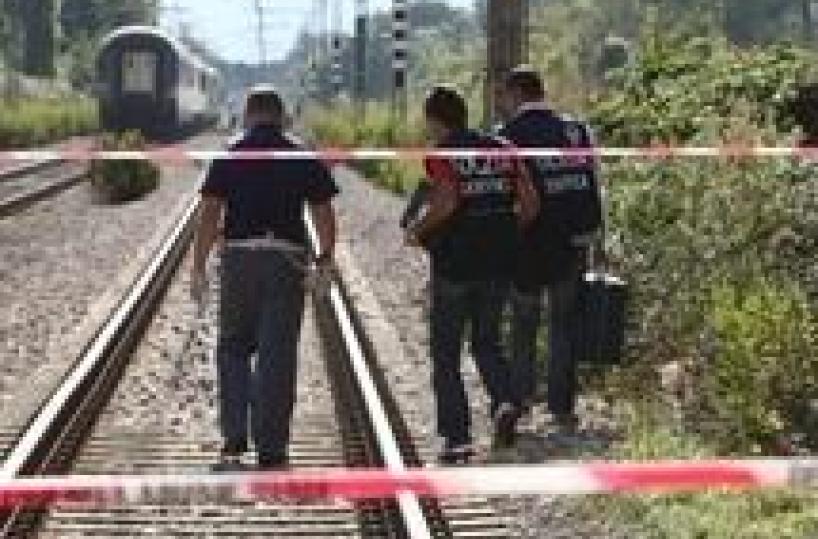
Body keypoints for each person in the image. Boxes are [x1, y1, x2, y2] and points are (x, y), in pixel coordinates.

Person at [191, 86, 339, 470]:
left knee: (233, 346)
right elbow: (323, 211)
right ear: (281, 115)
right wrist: (325, 259)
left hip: (239, 259)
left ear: (249, 113)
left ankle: (234, 436)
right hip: (285, 261)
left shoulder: (231, 153)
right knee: (278, 354)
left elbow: (210, 212)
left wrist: (198, 265)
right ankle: (271, 447)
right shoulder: (301, 155)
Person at [404, 85, 539, 463]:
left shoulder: (443, 154)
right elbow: (530, 204)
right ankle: (505, 402)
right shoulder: (503, 149)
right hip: (499, 261)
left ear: (435, 120)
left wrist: (417, 229)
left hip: (456, 264)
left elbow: (447, 201)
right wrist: (507, 231)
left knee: (446, 351)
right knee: (488, 341)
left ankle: (457, 437)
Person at [498, 66, 602, 435]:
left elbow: (505, 193)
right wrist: (597, 238)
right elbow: (595, 183)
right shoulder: (577, 130)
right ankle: (562, 407)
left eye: (506, 96)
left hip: (528, 244)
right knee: (564, 324)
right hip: (572, 243)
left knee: (524, 324)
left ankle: (520, 401)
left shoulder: (507, 136)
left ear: (516, 94)